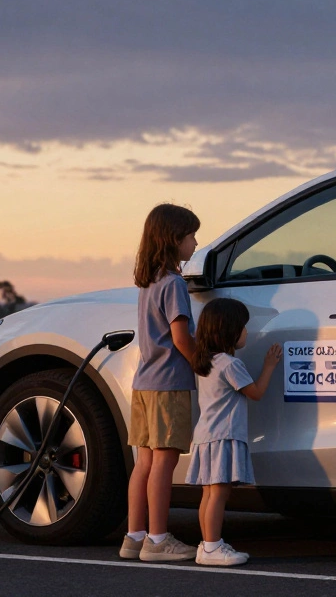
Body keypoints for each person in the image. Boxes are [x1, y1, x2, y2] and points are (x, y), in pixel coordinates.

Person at [120, 203, 201, 562]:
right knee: (165, 465)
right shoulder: (174, 285)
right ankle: (158, 540)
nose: (196, 243)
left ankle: (134, 537)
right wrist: (205, 363)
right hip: (169, 384)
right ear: (174, 239)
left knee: (144, 463)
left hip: (145, 384)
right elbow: (180, 337)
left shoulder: (148, 283)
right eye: (191, 236)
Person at [185, 297, 281, 566]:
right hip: (224, 436)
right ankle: (213, 547)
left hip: (206, 436)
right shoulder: (230, 364)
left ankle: (207, 545)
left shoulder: (206, 363)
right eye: (242, 327)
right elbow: (256, 393)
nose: (246, 332)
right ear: (227, 330)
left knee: (209, 493)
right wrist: (270, 366)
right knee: (219, 494)